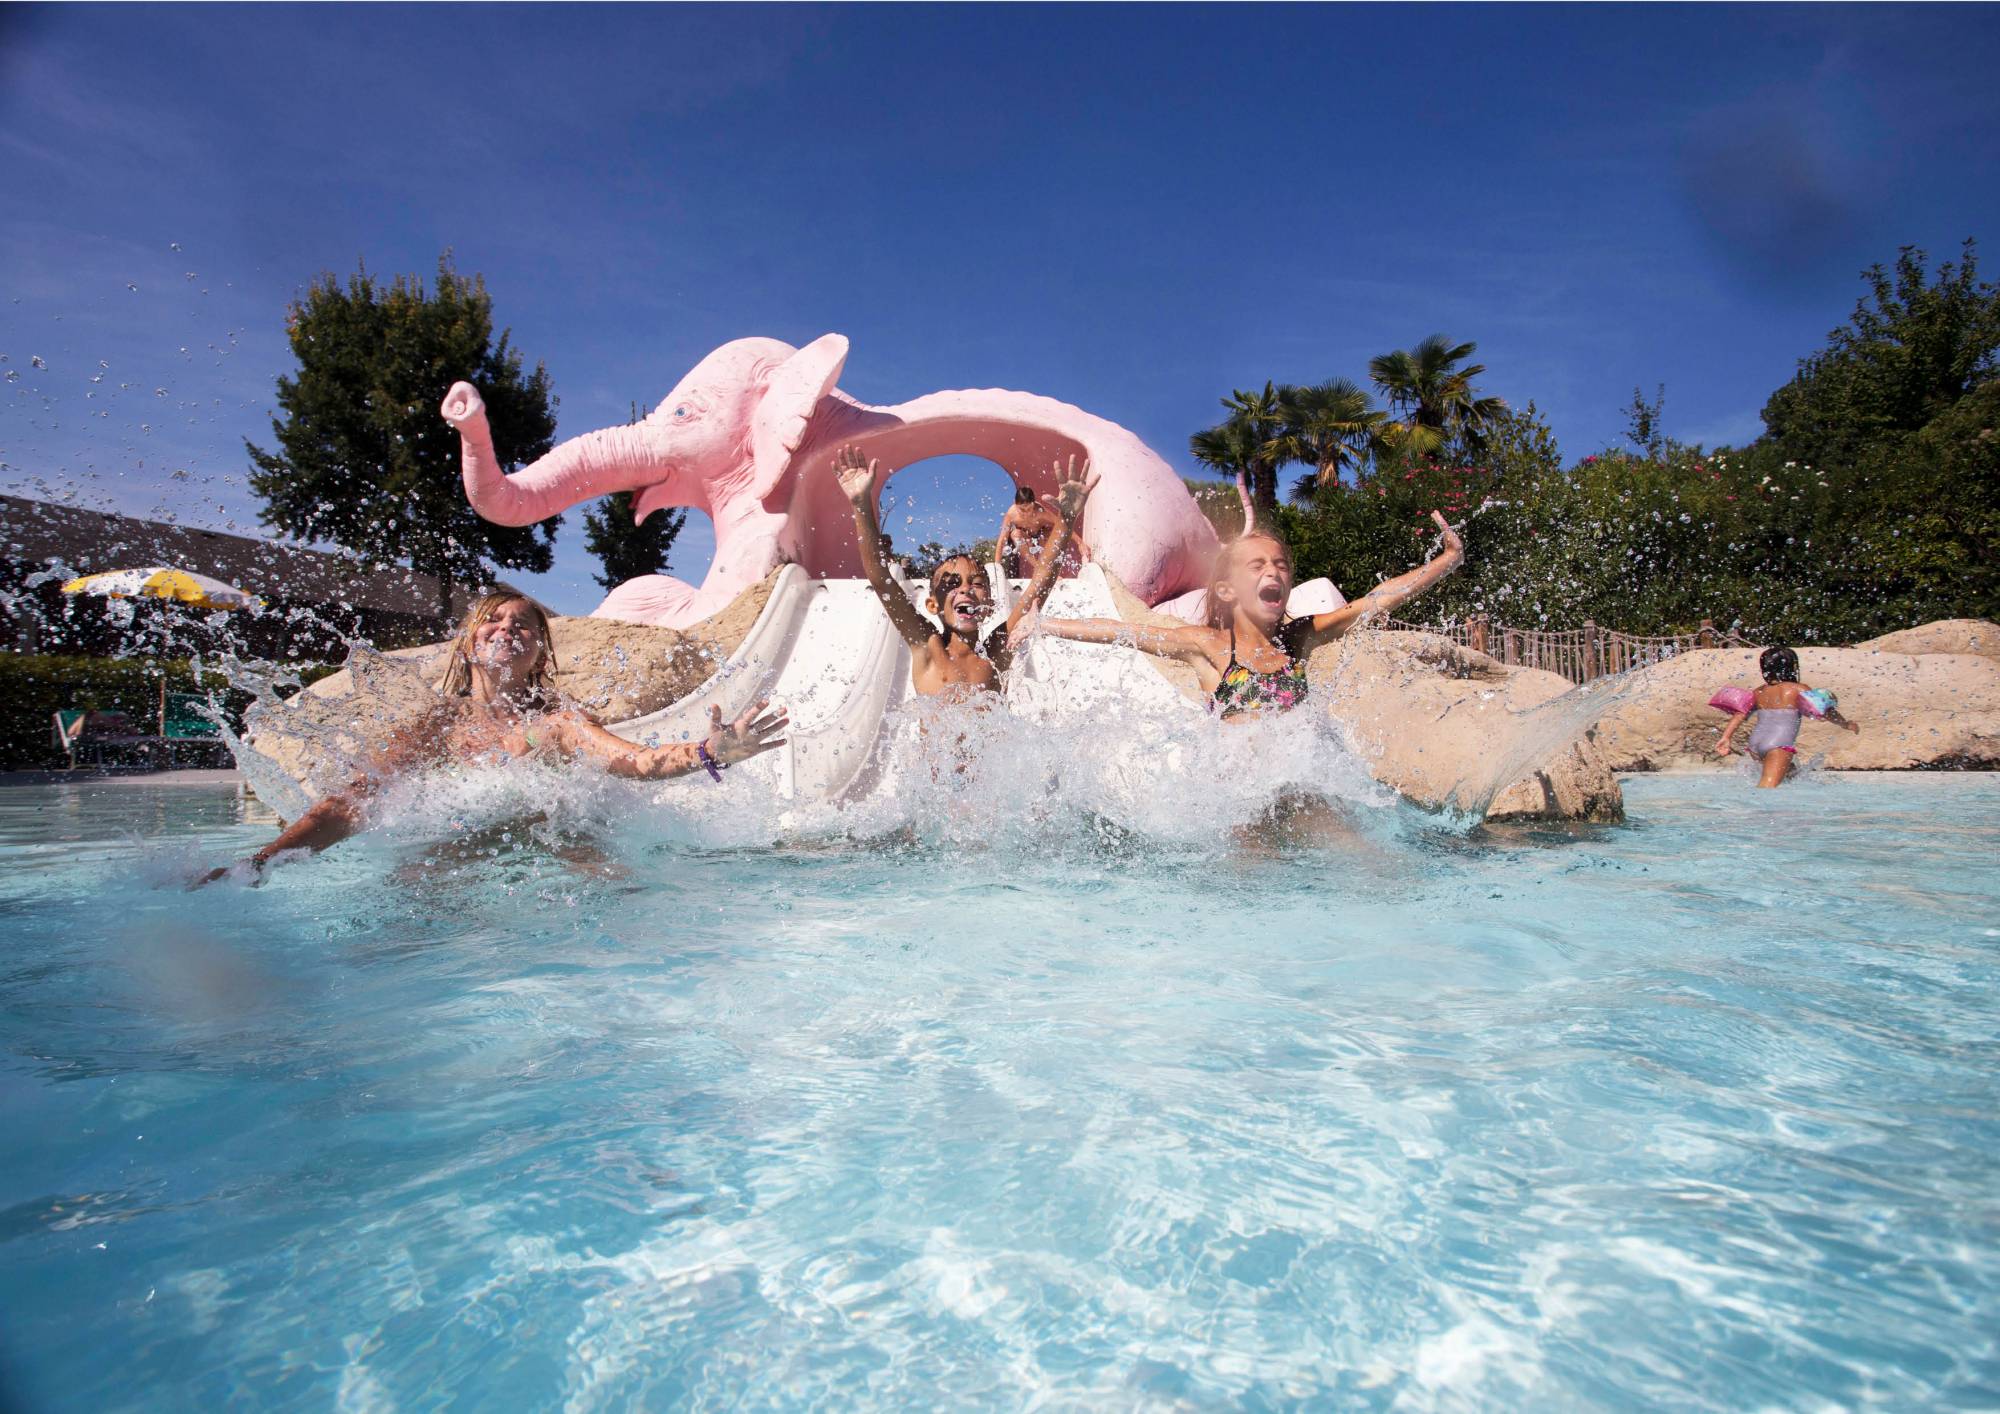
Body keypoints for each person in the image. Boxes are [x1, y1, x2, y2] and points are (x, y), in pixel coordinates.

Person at [202, 591, 787, 882]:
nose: (509, 629)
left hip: (564, 866)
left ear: (538, 652)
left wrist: (713, 751)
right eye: (495, 619)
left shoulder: (556, 721)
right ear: (468, 641)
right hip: (456, 869)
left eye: (525, 625)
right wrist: (259, 863)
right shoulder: (438, 725)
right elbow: (351, 805)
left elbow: (634, 762)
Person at [1016, 512, 1464, 720]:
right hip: (1241, 799)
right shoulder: (1209, 646)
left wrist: (1444, 562)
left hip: (1296, 791)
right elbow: (1122, 631)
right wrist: (1044, 625)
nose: (1274, 571)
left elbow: (1373, 601)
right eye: (1258, 566)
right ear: (1228, 590)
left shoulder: (1299, 639)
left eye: (1281, 565)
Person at [836, 445, 1099, 699]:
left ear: (990, 605)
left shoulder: (996, 650)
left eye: (976, 582)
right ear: (932, 604)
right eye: (951, 583)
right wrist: (861, 504)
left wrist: (1066, 519)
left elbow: (1040, 583)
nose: (964, 588)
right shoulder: (927, 646)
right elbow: (882, 581)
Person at [1712, 645, 1859, 788]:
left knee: (1792, 775)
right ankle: (1752, 811)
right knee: (1766, 789)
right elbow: (1825, 710)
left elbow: (1740, 714)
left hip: (1755, 745)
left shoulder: (1758, 692)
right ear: (1791, 667)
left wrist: (1726, 737)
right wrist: (1844, 724)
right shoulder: (1798, 689)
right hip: (1778, 745)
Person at [997, 484, 1068, 581]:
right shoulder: (1011, 514)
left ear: (1033, 503)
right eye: (1022, 509)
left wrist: (1080, 543)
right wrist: (996, 569)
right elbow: (1002, 541)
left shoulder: (1040, 511)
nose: (1026, 513)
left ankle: (1049, 570)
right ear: (1015, 503)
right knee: (1015, 534)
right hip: (1026, 537)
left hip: (1041, 534)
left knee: (1047, 533)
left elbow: (1062, 525)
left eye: (1029, 509)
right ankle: (1040, 569)